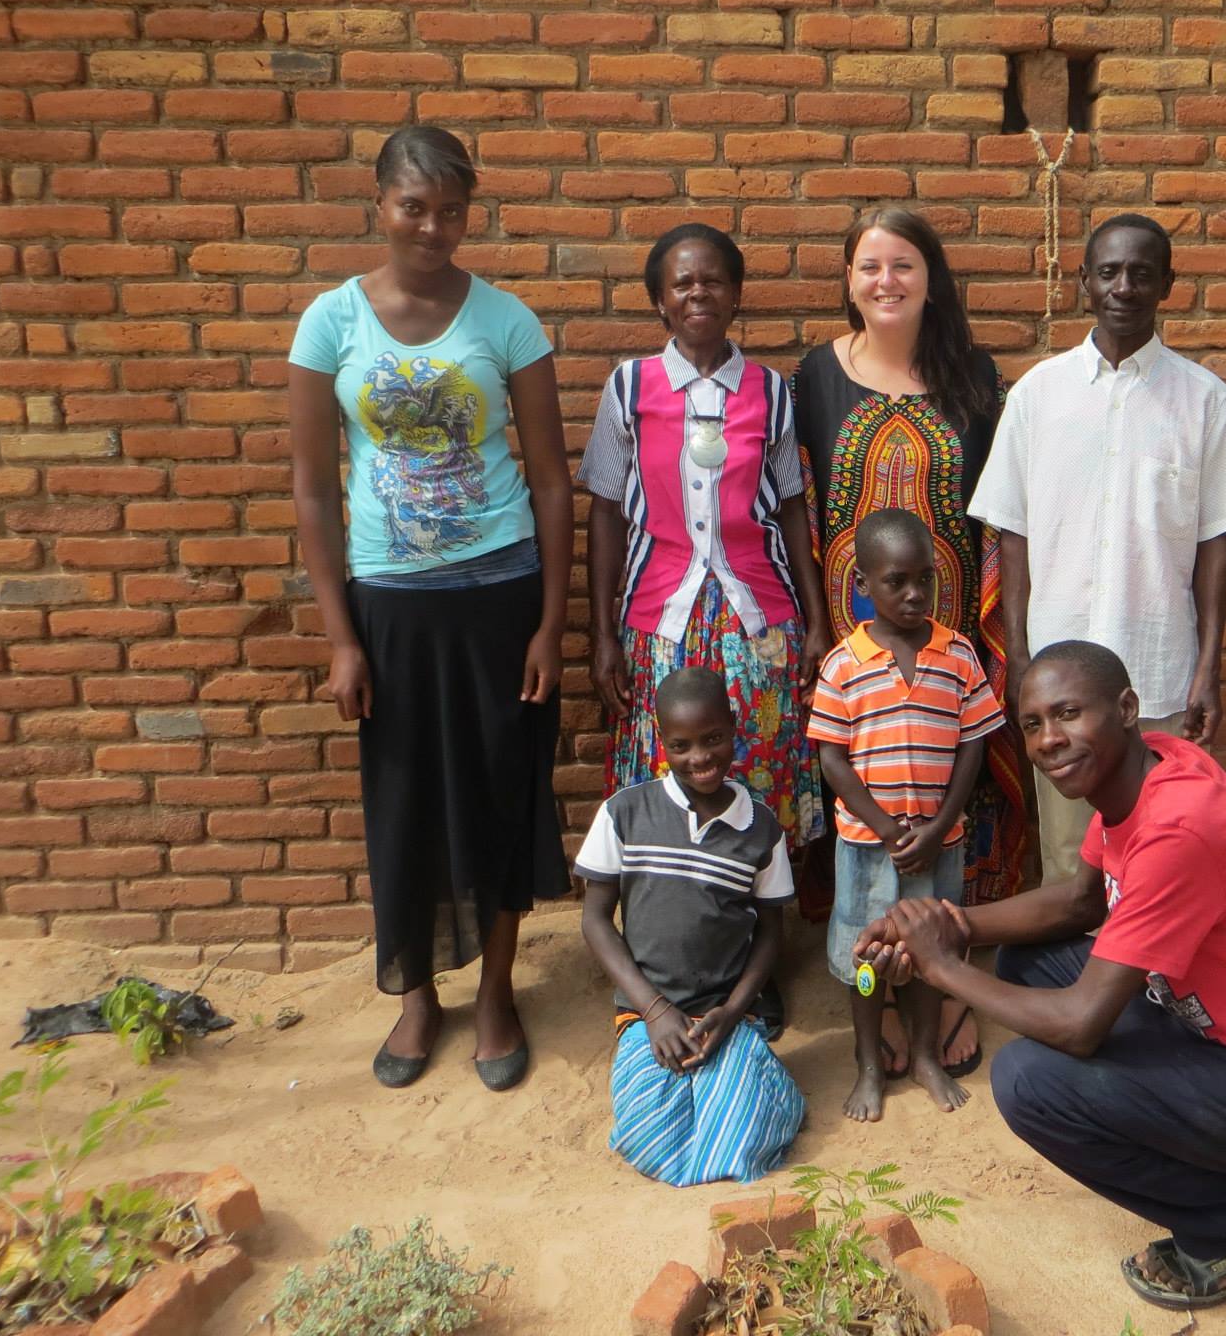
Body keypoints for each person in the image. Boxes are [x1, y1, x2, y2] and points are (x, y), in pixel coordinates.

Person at [855, 641, 1226, 1313]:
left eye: (1069, 713)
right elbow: (1078, 903)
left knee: (1027, 1081)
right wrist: (945, 923)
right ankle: (1213, 1155)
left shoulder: (1178, 828)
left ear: (1128, 708)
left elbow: (1079, 1027)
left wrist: (940, 965)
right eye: (1033, 724)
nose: (1050, 741)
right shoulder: (1146, 773)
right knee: (1027, 963)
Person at [288, 124, 574, 1091]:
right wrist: (341, 636)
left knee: (501, 796)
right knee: (404, 805)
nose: (434, 227)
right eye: (415, 206)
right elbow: (314, 490)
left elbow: (549, 481)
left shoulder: (507, 323)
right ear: (379, 205)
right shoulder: (331, 323)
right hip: (391, 608)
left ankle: (496, 992)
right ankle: (417, 995)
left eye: (453, 209)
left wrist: (547, 626)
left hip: (499, 597)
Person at [967, 213, 1226, 884]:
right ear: (1084, 283)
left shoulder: (1204, 400)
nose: (1123, 286)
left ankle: (1152, 982)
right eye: (1108, 272)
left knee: (1162, 847)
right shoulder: (1039, 396)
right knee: (1071, 860)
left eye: (1141, 273)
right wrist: (1017, 651)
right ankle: (1069, 976)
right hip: (1058, 668)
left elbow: (1217, 539)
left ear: (1167, 285)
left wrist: (1209, 668)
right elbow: (1011, 531)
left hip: (1156, 668)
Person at [790, 207, 1018, 1074]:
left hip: (954, 641)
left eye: (904, 265)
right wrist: (819, 621)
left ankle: (947, 985)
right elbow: (802, 510)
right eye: (869, 266)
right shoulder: (815, 376)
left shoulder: (973, 376)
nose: (886, 281)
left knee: (955, 829)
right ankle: (873, 996)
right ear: (848, 280)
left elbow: (996, 514)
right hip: (857, 654)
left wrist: (997, 633)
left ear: (932, 279)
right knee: (866, 846)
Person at [578, 223, 832, 856]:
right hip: (659, 620)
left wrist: (818, 622)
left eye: (713, 280)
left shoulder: (771, 392)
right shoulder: (630, 388)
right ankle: (671, 918)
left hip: (760, 624)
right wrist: (603, 636)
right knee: (672, 771)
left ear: (736, 294)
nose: (698, 294)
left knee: (757, 761)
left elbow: (793, 509)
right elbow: (606, 512)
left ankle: (754, 909)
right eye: (681, 283)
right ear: (659, 300)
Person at [807, 509, 1006, 1122]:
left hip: (939, 845)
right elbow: (832, 760)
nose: (915, 593)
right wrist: (892, 830)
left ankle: (924, 1055)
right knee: (866, 961)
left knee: (929, 957)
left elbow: (974, 743)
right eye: (897, 581)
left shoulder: (959, 655)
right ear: (862, 585)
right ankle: (870, 1061)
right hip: (870, 846)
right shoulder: (844, 664)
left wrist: (943, 822)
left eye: (926, 579)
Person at [575, 668, 804, 1187]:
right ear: (662, 742)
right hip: (645, 1014)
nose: (699, 758)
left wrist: (734, 1011)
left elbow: (770, 933)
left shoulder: (760, 828)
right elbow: (594, 920)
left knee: (743, 1131)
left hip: (724, 1015)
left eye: (713, 739)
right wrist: (654, 1012)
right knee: (646, 1134)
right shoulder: (624, 813)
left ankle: (751, 1081)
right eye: (681, 745)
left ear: (734, 725)